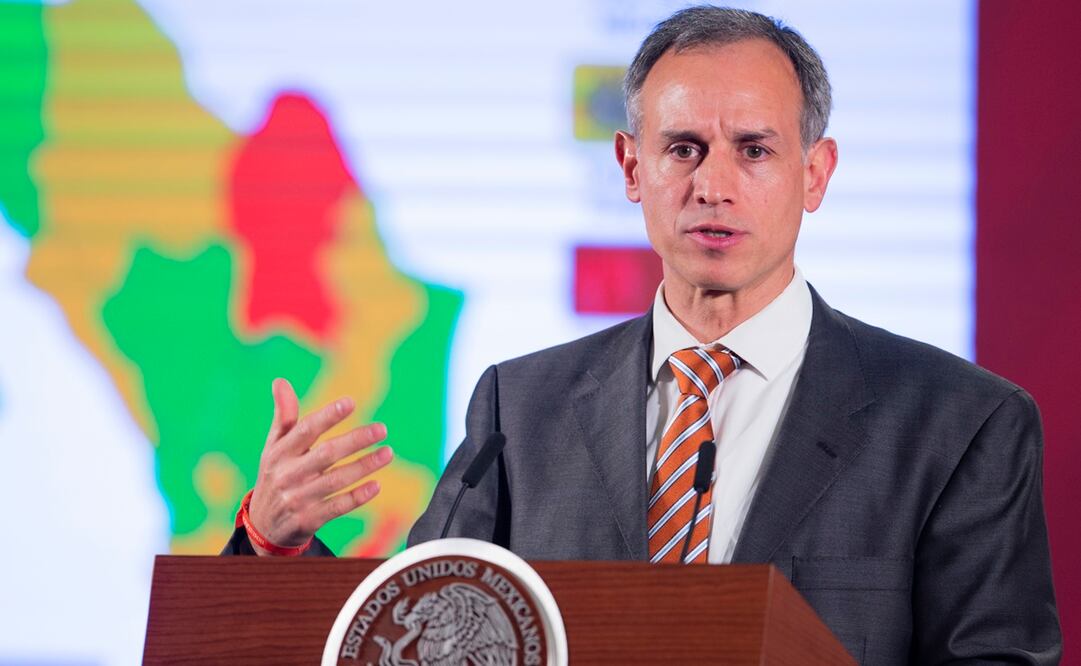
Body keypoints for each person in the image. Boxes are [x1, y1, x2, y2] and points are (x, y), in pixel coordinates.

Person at [224, 6, 1061, 663]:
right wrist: (272, 542)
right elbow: (415, 632)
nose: (712, 185)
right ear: (631, 168)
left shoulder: (958, 422)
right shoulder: (522, 407)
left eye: (754, 151)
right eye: (683, 149)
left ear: (815, 174)